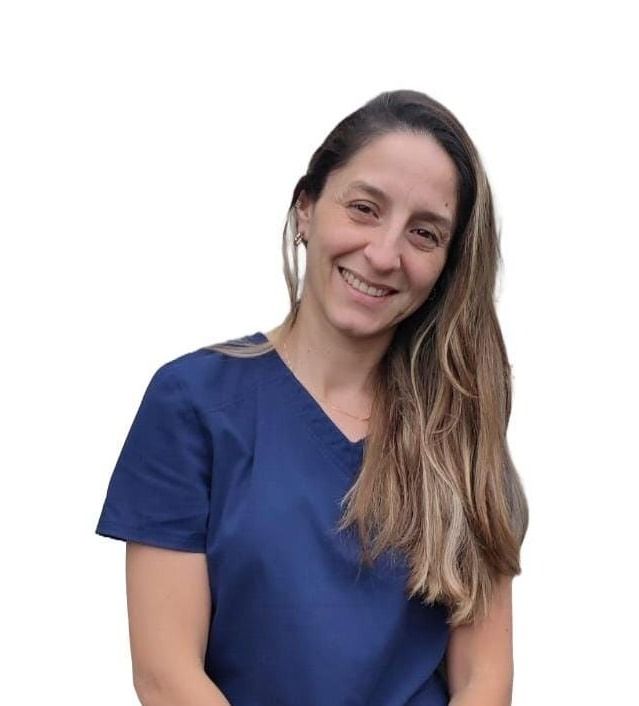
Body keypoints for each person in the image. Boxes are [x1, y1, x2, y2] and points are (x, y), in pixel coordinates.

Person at [95, 89, 528, 706]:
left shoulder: (457, 426)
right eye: (364, 208)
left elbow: (484, 678)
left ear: (447, 266)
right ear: (306, 208)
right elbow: (167, 677)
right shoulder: (192, 405)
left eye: (424, 234)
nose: (384, 254)